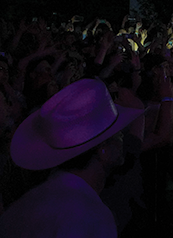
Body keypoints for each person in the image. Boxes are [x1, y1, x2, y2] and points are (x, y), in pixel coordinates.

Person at [0, 78, 145, 237]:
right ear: (103, 151)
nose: (122, 141)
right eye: (117, 136)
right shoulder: (91, 216)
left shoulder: (26, 204)